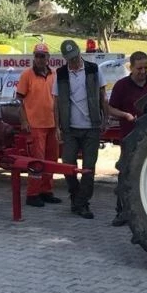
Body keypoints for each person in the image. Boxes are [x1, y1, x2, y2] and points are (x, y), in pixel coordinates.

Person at [52, 39, 108, 219]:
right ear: (65, 59)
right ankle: (76, 196)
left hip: (91, 126)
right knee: (68, 164)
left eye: (75, 58)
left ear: (79, 53)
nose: (73, 62)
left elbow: (102, 96)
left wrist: (105, 119)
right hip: (70, 128)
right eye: (70, 59)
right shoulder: (60, 73)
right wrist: (57, 127)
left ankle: (82, 203)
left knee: (89, 168)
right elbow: (55, 103)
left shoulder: (93, 69)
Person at [108, 51, 147, 226]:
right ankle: (122, 211)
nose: (143, 71)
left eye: (146, 67)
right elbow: (110, 109)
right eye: (139, 68)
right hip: (130, 137)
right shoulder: (121, 86)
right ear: (131, 67)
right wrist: (126, 115)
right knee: (126, 174)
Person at [16, 43, 62, 208]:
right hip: (35, 125)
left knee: (51, 160)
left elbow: (57, 100)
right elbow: (19, 101)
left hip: (52, 124)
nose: (39, 59)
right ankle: (32, 194)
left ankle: (46, 191)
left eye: (43, 56)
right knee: (37, 161)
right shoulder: (27, 75)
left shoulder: (54, 75)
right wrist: (24, 121)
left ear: (49, 58)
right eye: (37, 56)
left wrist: (58, 124)